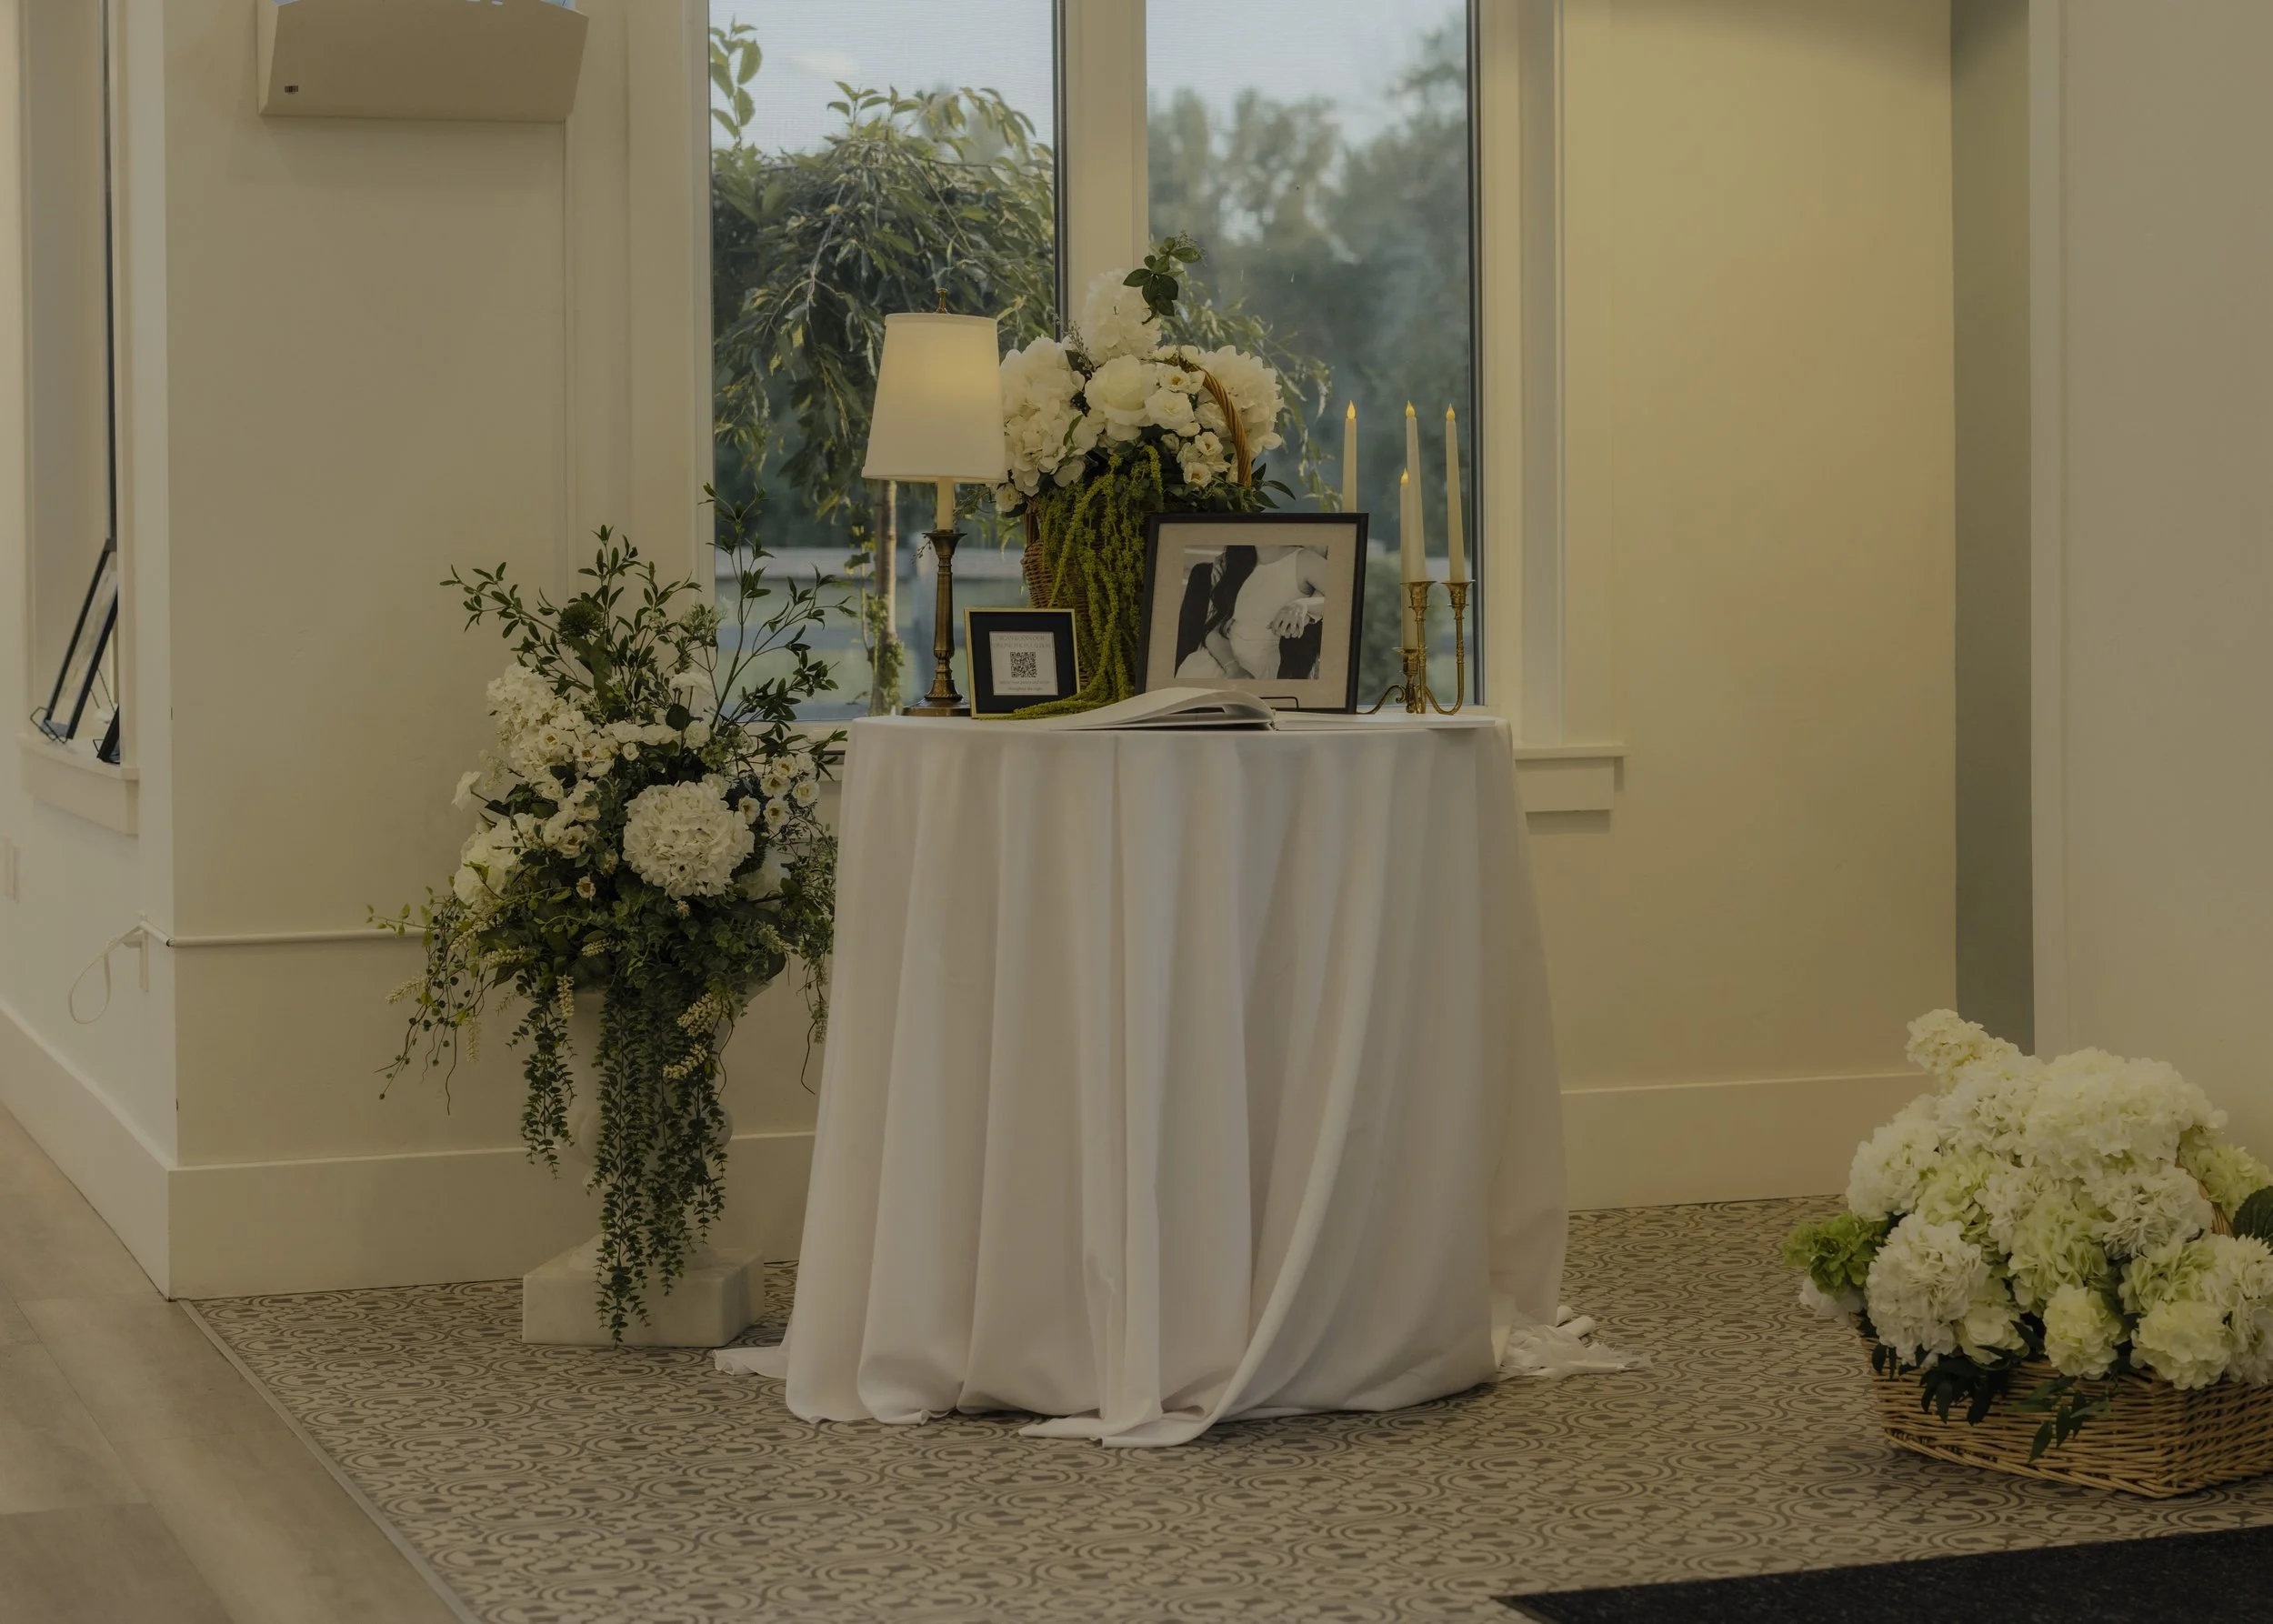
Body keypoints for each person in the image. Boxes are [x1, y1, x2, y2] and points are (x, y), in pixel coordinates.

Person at [1173, 544, 1329, 682]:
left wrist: (1303, 605)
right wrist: (1234, 669)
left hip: (1259, 671)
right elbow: (1212, 633)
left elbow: (1348, 599)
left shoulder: (1304, 560)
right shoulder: (1233, 562)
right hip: (1216, 663)